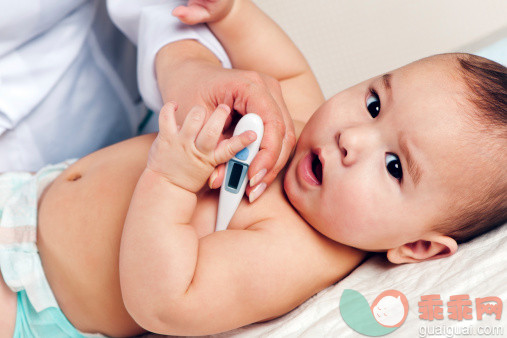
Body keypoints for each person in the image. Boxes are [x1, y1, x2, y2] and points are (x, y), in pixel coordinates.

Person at [1, 0, 506, 337]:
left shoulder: (298, 251)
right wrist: (233, 12)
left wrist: (171, 181)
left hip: (44, 296)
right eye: (374, 103)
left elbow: (165, 300)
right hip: (28, 192)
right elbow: (283, 69)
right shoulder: (301, 127)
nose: (352, 138)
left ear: (416, 246)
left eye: (394, 166)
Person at [0, 0, 295, 202]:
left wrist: (186, 64)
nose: (343, 144)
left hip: (116, 92)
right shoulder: (304, 120)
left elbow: (172, 294)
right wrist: (233, 12)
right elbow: (290, 73)